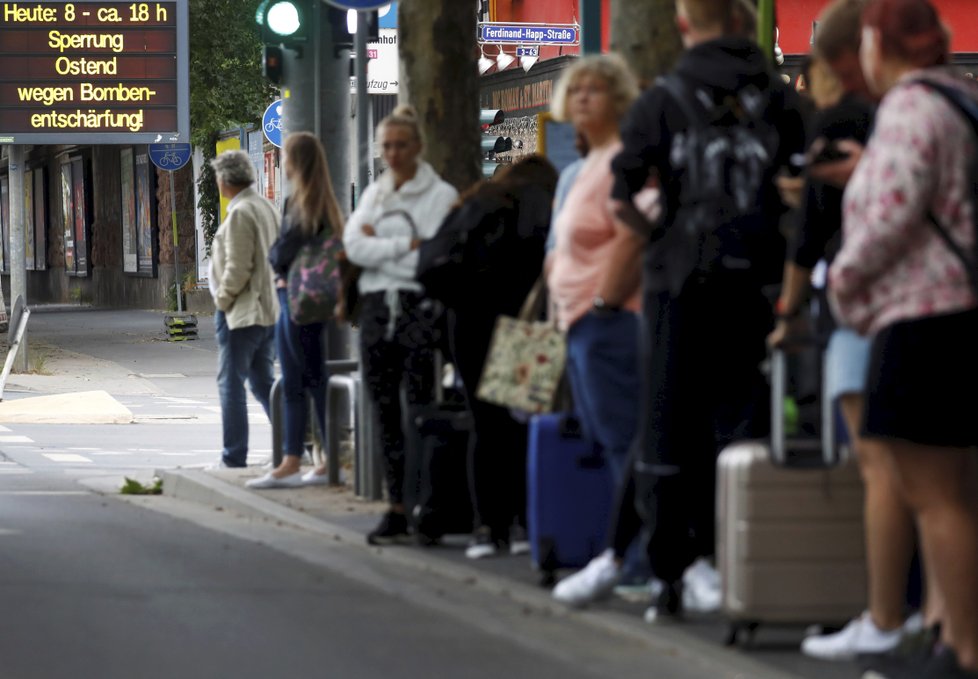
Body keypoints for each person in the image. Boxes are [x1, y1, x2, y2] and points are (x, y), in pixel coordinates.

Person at [608, 0, 807, 622]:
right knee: (743, 421)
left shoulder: (661, 99)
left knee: (667, 422)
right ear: (747, 24)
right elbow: (806, 196)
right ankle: (737, 558)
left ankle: (673, 571)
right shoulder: (783, 101)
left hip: (679, 281)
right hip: (757, 286)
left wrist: (663, 232)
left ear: (684, 25)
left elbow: (622, 196)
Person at [769, 0, 929, 662]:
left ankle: (884, 614)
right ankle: (934, 610)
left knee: (881, 462)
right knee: (930, 471)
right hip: (928, 301)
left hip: (864, 304)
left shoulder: (844, 120)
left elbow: (816, 228)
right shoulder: (915, 114)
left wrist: (786, 310)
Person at [827, 1, 978, 676]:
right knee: (959, 491)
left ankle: (964, 646)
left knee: (933, 495)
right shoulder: (963, 99)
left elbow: (889, 211)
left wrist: (846, 285)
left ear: (878, 43)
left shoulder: (910, 108)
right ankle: (948, 631)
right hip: (962, 314)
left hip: (920, 317)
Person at [537, 54, 648, 603]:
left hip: (609, 321)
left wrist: (604, 301)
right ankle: (626, 554)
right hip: (577, 321)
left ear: (619, 98)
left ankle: (640, 559)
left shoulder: (623, 161)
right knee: (609, 441)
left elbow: (636, 232)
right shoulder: (582, 169)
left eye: (596, 89)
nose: (582, 97)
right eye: (575, 88)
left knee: (625, 440)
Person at [343, 105, 458, 546]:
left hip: (416, 308)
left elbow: (429, 258)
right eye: (386, 145)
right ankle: (395, 505)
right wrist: (403, 243)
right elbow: (354, 246)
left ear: (418, 147)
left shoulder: (440, 195)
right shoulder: (377, 192)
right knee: (385, 410)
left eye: (400, 145)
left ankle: (427, 506)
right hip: (375, 309)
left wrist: (383, 245)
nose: (392, 153)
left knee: (421, 407)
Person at [432, 155, 558, 558]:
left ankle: (488, 527)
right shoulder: (541, 200)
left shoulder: (476, 201)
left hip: (467, 324)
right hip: (523, 326)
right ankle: (524, 522)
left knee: (484, 425)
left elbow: (434, 266)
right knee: (520, 423)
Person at [247, 132, 346, 489]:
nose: (282, 162)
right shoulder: (326, 203)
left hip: (296, 300)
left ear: (296, 161)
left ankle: (293, 460)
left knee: (294, 381)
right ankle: (323, 459)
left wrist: (277, 266)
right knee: (314, 378)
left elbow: (280, 253)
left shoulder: (302, 203)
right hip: (313, 300)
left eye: (285, 156)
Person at [209, 150, 280, 469]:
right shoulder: (266, 207)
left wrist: (223, 300)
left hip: (241, 311)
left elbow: (238, 266)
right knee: (263, 381)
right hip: (267, 310)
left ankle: (233, 456)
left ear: (224, 180)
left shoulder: (240, 213)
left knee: (230, 384)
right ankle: (297, 444)